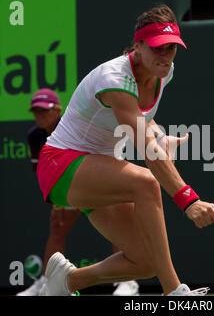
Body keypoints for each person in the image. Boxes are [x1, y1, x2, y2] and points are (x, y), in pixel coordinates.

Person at [37, 4, 214, 296]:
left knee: (146, 261)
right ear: (138, 46)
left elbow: (142, 119)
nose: (165, 56)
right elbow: (146, 150)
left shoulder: (165, 72)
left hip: (98, 169)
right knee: (146, 182)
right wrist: (189, 200)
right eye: (158, 48)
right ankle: (174, 292)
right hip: (61, 164)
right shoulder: (115, 80)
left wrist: (160, 136)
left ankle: (68, 282)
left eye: (171, 48)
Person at [17, 89, 138, 296]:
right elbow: (43, 173)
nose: (40, 115)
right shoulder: (35, 136)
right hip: (68, 184)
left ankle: (128, 282)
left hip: (94, 179)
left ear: (58, 110)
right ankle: (46, 283)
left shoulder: (74, 126)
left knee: (117, 225)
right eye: (36, 111)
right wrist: (59, 200)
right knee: (57, 225)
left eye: (44, 111)